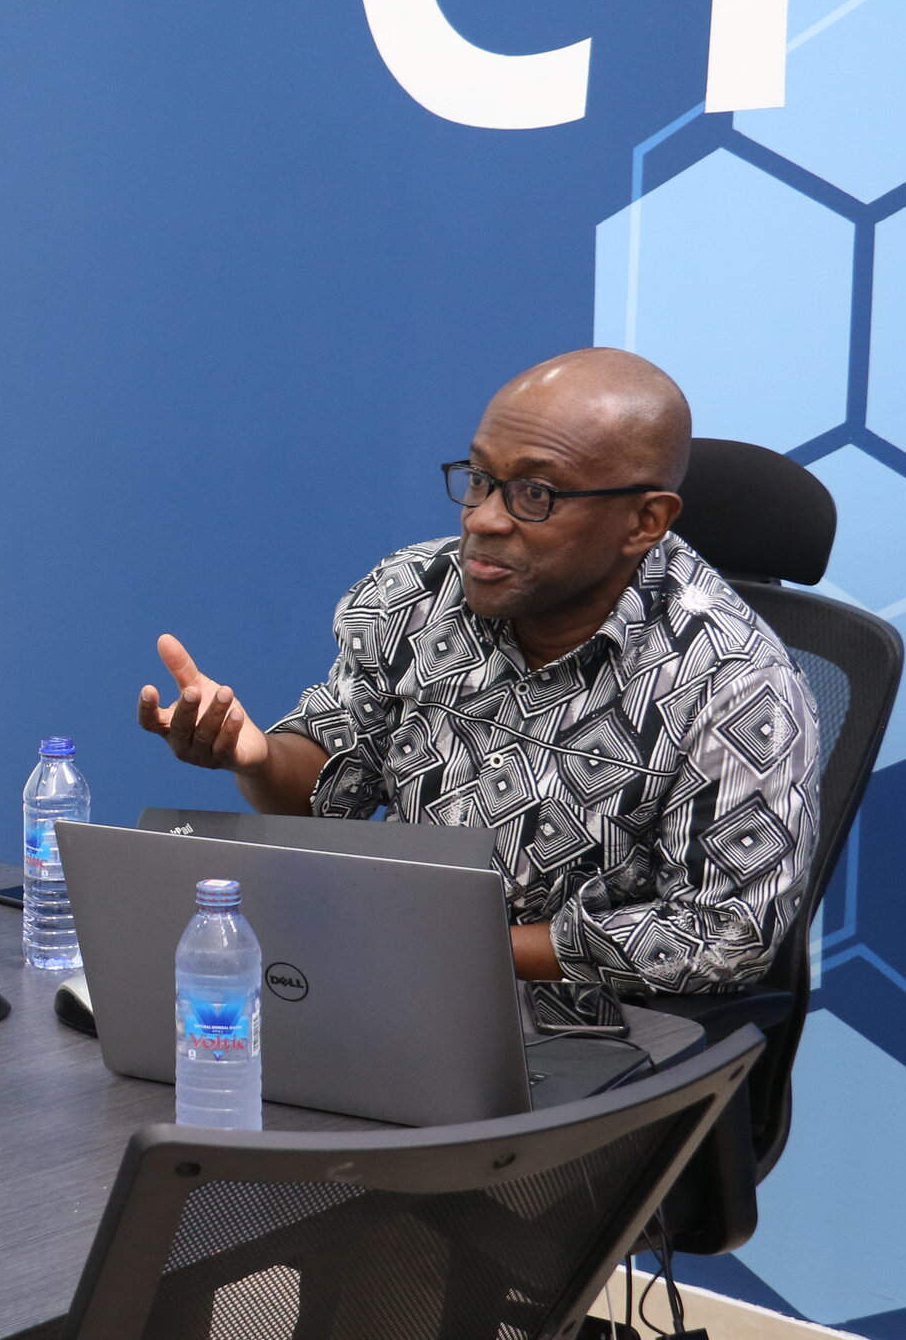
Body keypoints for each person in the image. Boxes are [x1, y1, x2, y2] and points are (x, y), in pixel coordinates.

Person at [138, 348, 819, 1027]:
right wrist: (253, 758)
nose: (483, 520)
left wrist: (460, 944)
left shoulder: (736, 683)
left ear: (645, 523)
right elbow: (327, 785)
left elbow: (724, 936)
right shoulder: (416, 594)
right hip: (389, 999)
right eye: (480, 479)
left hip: (598, 1052)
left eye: (535, 494)